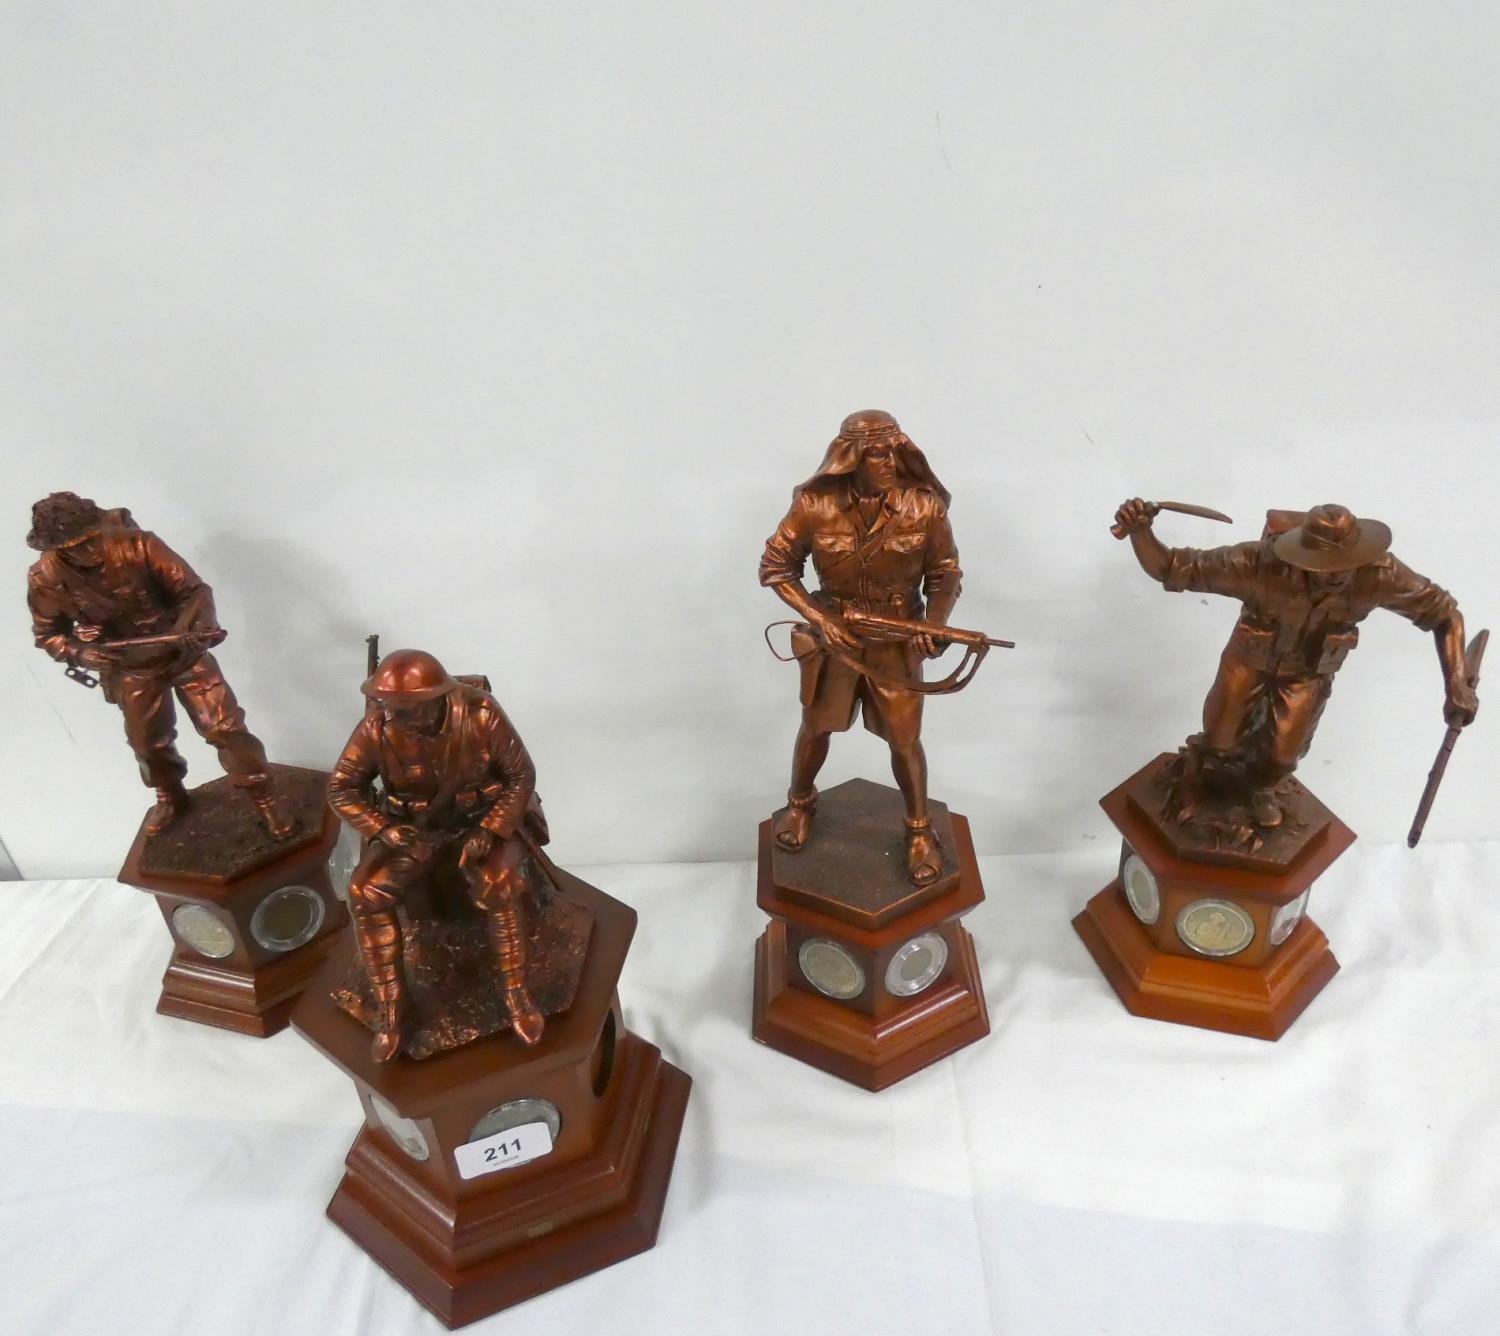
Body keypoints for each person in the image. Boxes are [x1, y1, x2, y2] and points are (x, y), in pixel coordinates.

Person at [1113, 498, 1479, 826]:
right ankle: (1204, 778)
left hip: (1306, 674)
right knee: (1220, 738)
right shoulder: (1257, 564)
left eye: (1345, 565)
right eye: (1324, 566)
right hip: (1248, 661)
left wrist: (1456, 684)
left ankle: (1260, 788)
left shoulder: (1381, 574)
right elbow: (1173, 567)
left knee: (1282, 758)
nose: (1336, 575)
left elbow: (1445, 615)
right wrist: (1141, 532)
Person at [760, 410, 963, 883]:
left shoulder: (925, 507)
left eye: (896, 452)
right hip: (836, 644)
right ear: (850, 458)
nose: (890, 462)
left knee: (905, 740)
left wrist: (933, 625)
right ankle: (800, 804)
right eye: (877, 454)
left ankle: (918, 831)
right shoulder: (814, 504)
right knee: (816, 727)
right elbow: (776, 567)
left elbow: (945, 573)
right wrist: (821, 620)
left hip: (896, 643)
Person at [26, 490, 289, 838]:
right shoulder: (45, 578)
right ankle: (170, 795)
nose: (88, 551)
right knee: (147, 743)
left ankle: (263, 797)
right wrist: (81, 653)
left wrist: (191, 630)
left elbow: (196, 592)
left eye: (91, 539)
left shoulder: (139, 546)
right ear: (57, 548)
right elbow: (49, 634)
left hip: (185, 655)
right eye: (75, 547)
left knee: (226, 729)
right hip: (131, 667)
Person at [327, 649, 545, 1061]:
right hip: (415, 831)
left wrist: (489, 830)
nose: (395, 715)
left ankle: (516, 993)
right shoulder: (377, 726)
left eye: (406, 708)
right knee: (364, 892)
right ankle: (391, 1005)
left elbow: (521, 776)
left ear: (435, 700)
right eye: (390, 706)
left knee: (498, 884)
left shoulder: (481, 715)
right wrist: (384, 828)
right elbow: (341, 788)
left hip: (479, 821)